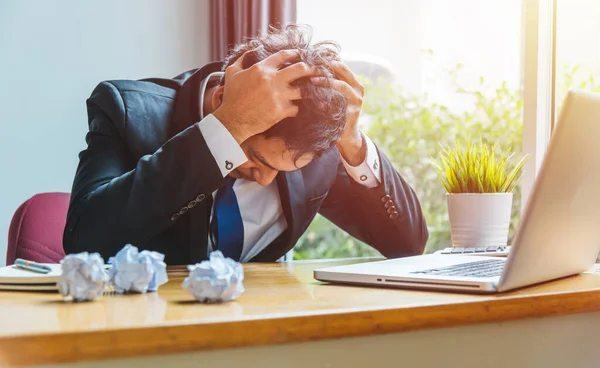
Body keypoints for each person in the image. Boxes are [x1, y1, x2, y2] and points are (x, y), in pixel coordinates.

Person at [63, 25, 428, 264]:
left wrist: (351, 143)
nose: (267, 180)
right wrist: (228, 129)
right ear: (223, 96)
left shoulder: (310, 146)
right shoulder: (127, 111)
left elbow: (407, 245)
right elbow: (85, 240)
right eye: (254, 158)